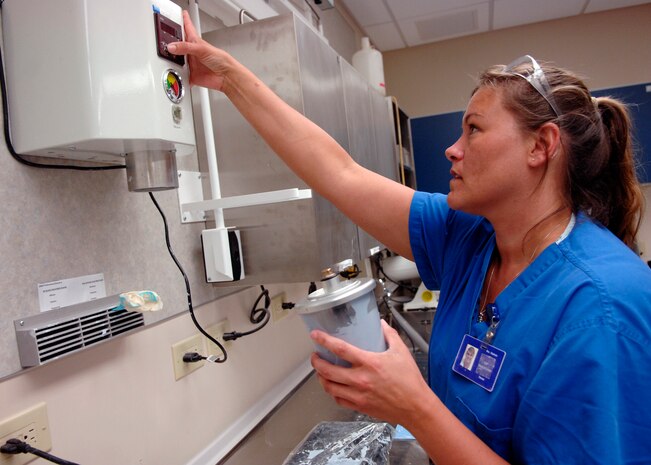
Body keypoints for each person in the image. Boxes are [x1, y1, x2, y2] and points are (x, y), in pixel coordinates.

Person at [168, 11, 651, 465]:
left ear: (541, 146)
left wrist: (413, 406)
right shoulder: (472, 237)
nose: (452, 149)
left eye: (474, 130)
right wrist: (230, 76)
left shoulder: (601, 307)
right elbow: (340, 174)